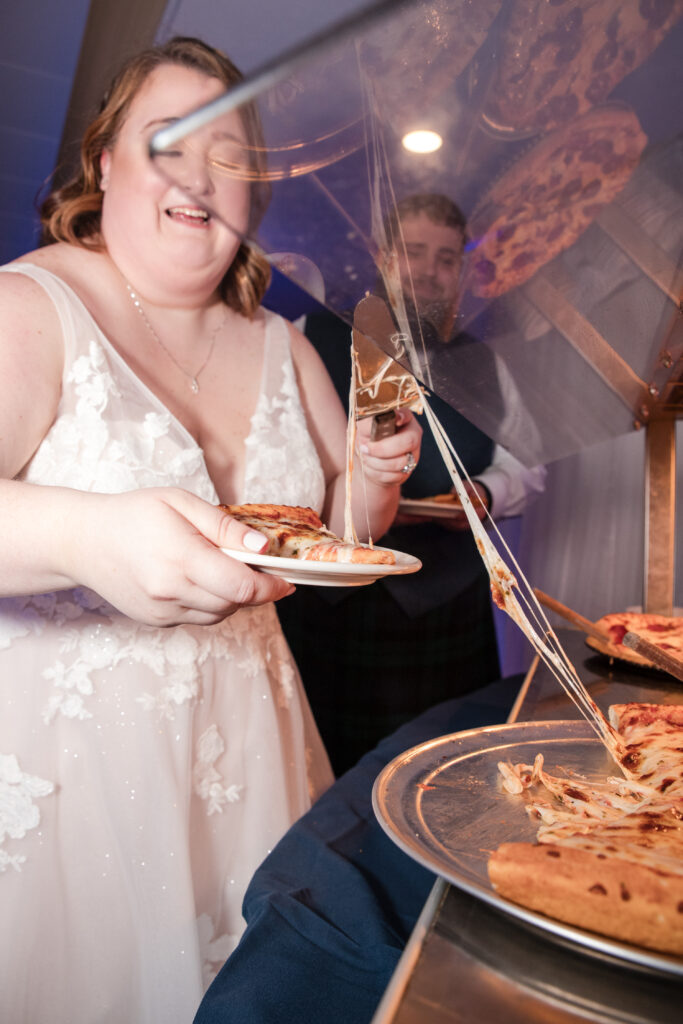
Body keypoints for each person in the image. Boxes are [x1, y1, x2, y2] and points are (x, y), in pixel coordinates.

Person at [0, 37, 422, 1024]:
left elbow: (343, 536)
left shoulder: (288, 344)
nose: (200, 177)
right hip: (74, 780)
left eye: (229, 157)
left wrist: (377, 473)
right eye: (171, 143)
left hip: (255, 753)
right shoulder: (28, 306)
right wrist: (83, 537)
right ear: (103, 162)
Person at [277, 194, 546, 775]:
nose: (429, 269)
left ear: (463, 271)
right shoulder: (306, 335)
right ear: (382, 255)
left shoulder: (487, 363)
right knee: (324, 771)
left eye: (446, 258)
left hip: (448, 605)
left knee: (448, 771)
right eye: (414, 252)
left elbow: (529, 468)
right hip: (329, 602)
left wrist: (484, 495)